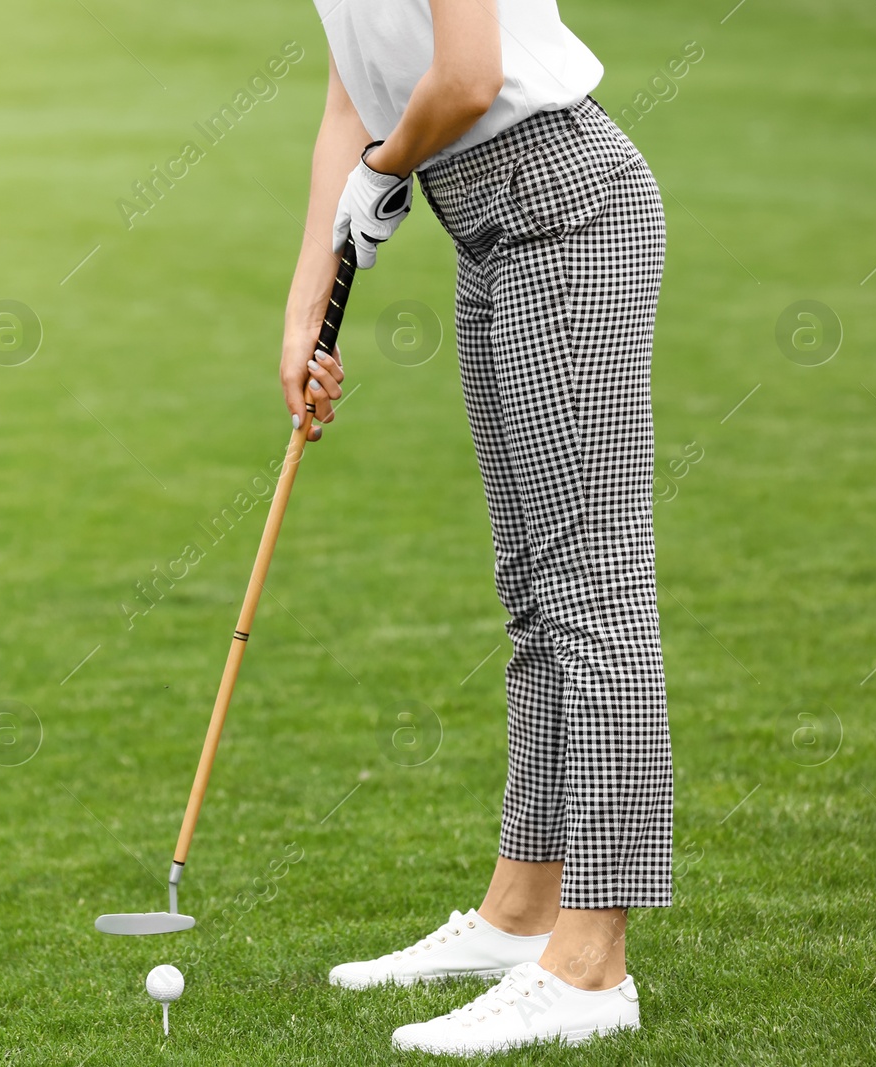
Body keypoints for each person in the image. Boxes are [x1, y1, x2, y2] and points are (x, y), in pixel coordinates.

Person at [279, 0, 674, 1056]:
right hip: (488, 228)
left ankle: (592, 966)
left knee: (591, 593)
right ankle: (520, 916)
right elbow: (345, 105)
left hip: (569, 210)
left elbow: (463, 76)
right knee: (532, 592)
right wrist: (304, 312)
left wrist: (388, 165)